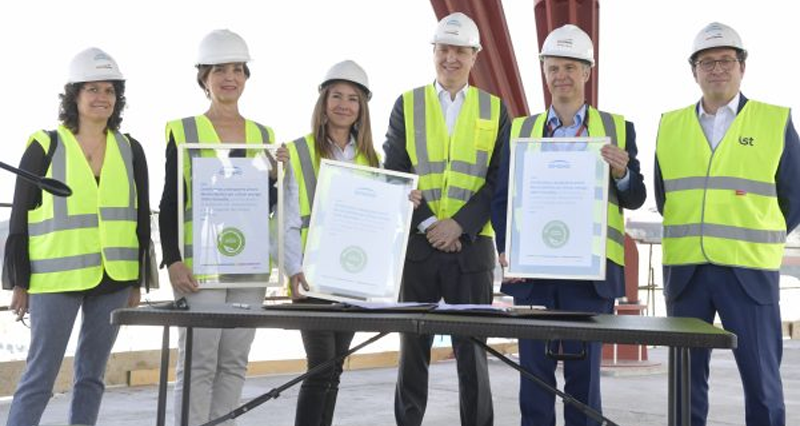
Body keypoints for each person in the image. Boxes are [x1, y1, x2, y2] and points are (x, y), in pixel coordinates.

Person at [490, 24, 645, 426]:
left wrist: (623, 172)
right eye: (554, 67)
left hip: (590, 275)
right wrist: (507, 249)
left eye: (571, 67)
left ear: (587, 73)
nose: (562, 76)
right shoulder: (520, 130)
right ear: (544, 71)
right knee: (534, 378)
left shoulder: (617, 127)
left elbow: (636, 196)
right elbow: (502, 196)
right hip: (534, 271)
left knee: (584, 379)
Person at [655, 22, 800, 426]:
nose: (716, 69)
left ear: (742, 67)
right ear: (694, 71)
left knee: (763, 385)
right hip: (686, 273)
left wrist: (757, 232)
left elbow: (795, 196)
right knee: (685, 387)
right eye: (707, 62)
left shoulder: (774, 121)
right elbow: (666, 197)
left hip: (748, 272)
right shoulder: (670, 125)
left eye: (725, 61)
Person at [2, 47, 149, 426]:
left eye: (110, 90)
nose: (102, 97)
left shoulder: (131, 149)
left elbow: (140, 220)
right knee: (40, 376)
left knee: (92, 376)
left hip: (114, 276)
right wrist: (20, 282)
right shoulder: (45, 145)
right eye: (93, 89)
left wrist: (138, 280)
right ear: (74, 95)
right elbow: (19, 218)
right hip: (55, 279)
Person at [383, 12, 509, 426]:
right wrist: (430, 224)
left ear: (475, 56)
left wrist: (459, 225)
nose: (451, 59)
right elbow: (396, 170)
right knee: (412, 354)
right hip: (419, 247)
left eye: (460, 51)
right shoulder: (408, 103)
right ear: (433, 52)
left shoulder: (494, 109)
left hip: (471, 249)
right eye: (444, 50)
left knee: (472, 354)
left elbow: (498, 179)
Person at [158, 29, 277, 426]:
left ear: (246, 77)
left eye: (237, 70)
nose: (230, 78)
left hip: (249, 264)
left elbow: (267, 206)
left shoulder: (263, 136)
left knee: (234, 360)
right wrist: (173, 260)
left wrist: (279, 179)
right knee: (198, 361)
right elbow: (170, 202)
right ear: (204, 78)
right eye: (219, 70)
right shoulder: (184, 131)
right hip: (200, 265)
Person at [283, 59, 382, 426]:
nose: (344, 104)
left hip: (352, 278)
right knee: (320, 367)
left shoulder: (372, 159)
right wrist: (293, 270)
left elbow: (378, 222)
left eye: (353, 98)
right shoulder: (296, 151)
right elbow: (289, 221)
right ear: (323, 102)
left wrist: (404, 204)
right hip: (313, 278)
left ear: (362, 109)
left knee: (335, 369)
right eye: (336, 96)